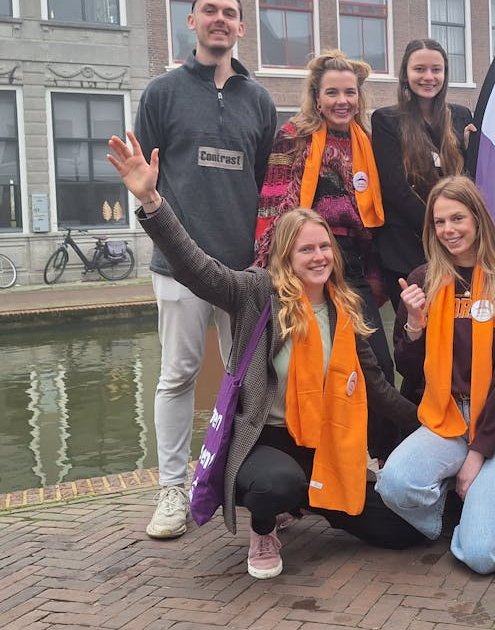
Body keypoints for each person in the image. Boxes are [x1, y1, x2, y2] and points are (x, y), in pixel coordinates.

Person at [108, 132, 424, 580]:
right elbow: (196, 267)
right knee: (277, 484)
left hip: (323, 448)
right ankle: (265, 525)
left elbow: (377, 388)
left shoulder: (342, 308)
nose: (318, 257)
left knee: (401, 530)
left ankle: (304, 500)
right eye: (306, 249)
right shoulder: (258, 293)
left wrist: (433, 427)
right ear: (285, 255)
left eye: (323, 247)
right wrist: (152, 201)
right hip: (263, 445)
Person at [134, 0, 278, 540]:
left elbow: (263, 183)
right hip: (178, 265)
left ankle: (237, 479)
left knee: (249, 378)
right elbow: (143, 177)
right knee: (177, 375)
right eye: (210, 11)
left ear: (241, 28)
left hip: (241, 273)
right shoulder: (162, 93)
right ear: (191, 21)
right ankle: (172, 487)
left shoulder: (259, 101)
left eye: (230, 13)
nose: (220, 19)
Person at [375, 175, 495, 575]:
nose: (448, 230)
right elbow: (408, 369)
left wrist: (478, 453)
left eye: (457, 218)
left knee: (484, 555)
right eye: (439, 222)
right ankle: (456, 512)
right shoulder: (422, 280)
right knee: (393, 484)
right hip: (445, 417)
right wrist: (415, 325)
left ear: (478, 219)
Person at [254, 50, 395, 459]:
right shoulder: (292, 136)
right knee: (309, 367)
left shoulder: (365, 143)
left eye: (350, 93)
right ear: (316, 98)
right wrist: (274, 271)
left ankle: (381, 457)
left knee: (378, 364)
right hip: (304, 264)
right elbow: (273, 207)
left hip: (350, 262)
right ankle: (303, 460)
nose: (342, 101)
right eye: (332, 93)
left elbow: (375, 218)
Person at [371, 39, 474, 312]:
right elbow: (395, 189)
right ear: (406, 73)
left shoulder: (461, 116)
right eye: (420, 69)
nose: (429, 77)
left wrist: (469, 149)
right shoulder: (386, 120)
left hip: (454, 247)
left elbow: (468, 181)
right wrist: (437, 227)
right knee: (415, 328)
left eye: (436, 70)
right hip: (407, 249)